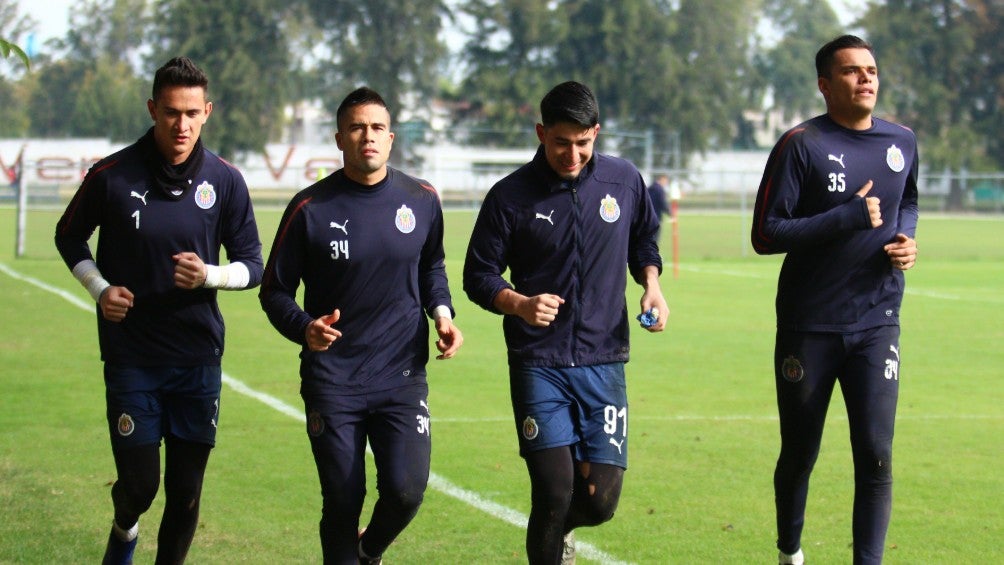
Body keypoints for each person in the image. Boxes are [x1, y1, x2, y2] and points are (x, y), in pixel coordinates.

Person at [54, 56, 264, 564]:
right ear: (153, 109)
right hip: (133, 358)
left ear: (208, 111)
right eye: (172, 112)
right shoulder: (111, 175)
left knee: (186, 494)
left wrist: (210, 274)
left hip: (197, 357)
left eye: (192, 113)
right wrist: (100, 288)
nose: (182, 124)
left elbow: (253, 265)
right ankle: (124, 528)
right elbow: (69, 236)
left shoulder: (226, 181)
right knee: (141, 485)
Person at [463, 81, 668, 565]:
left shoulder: (624, 181)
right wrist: (518, 303)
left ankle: (562, 535)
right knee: (554, 492)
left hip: (604, 359)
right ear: (541, 132)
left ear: (596, 132)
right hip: (539, 362)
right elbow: (478, 275)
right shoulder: (509, 197)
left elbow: (643, 242)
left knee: (599, 502)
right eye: (560, 142)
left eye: (583, 142)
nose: (572, 154)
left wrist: (652, 284)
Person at [259, 87, 462, 565]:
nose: (366, 136)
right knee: (343, 501)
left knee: (407, 490)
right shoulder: (310, 208)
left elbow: (431, 267)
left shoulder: (423, 199)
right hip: (334, 380)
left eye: (375, 128)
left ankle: (369, 551)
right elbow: (274, 290)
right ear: (339, 138)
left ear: (390, 139)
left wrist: (443, 313)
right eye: (356, 127)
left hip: (401, 377)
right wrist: (305, 327)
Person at [751, 35, 919, 565]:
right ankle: (790, 553)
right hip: (810, 324)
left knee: (876, 453)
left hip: (877, 321)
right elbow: (765, 233)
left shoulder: (903, 141)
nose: (866, 78)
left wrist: (906, 238)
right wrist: (845, 217)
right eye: (851, 71)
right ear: (825, 84)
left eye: (870, 69)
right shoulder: (800, 144)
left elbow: (906, 199)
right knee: (801, 452)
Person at [647, 173, 670, 240]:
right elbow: (662, 203)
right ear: (662, 179)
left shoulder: (649, 188)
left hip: (647, 217)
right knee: (655, 239)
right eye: (666, 181)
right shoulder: (659, 190)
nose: (666, 183)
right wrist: (670, 213)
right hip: (656, 217)